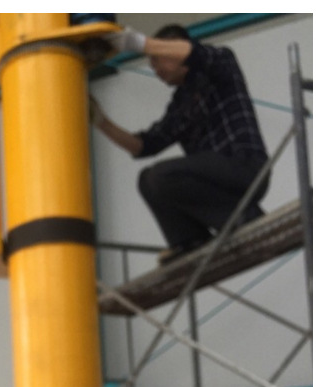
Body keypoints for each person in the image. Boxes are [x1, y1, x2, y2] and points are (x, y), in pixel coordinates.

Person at [90, 24, 270, 264]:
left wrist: (141, 43)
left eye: (157, 60)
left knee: (162, 174)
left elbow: (197, 53)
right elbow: (144, 145)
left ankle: (245, 218)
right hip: (216, 181)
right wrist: (100, 121)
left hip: (245, 167)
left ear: (173, 52)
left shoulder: (221, 65)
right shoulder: (180, 104)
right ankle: (189, 241)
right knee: (147, 180)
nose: (154, 69)